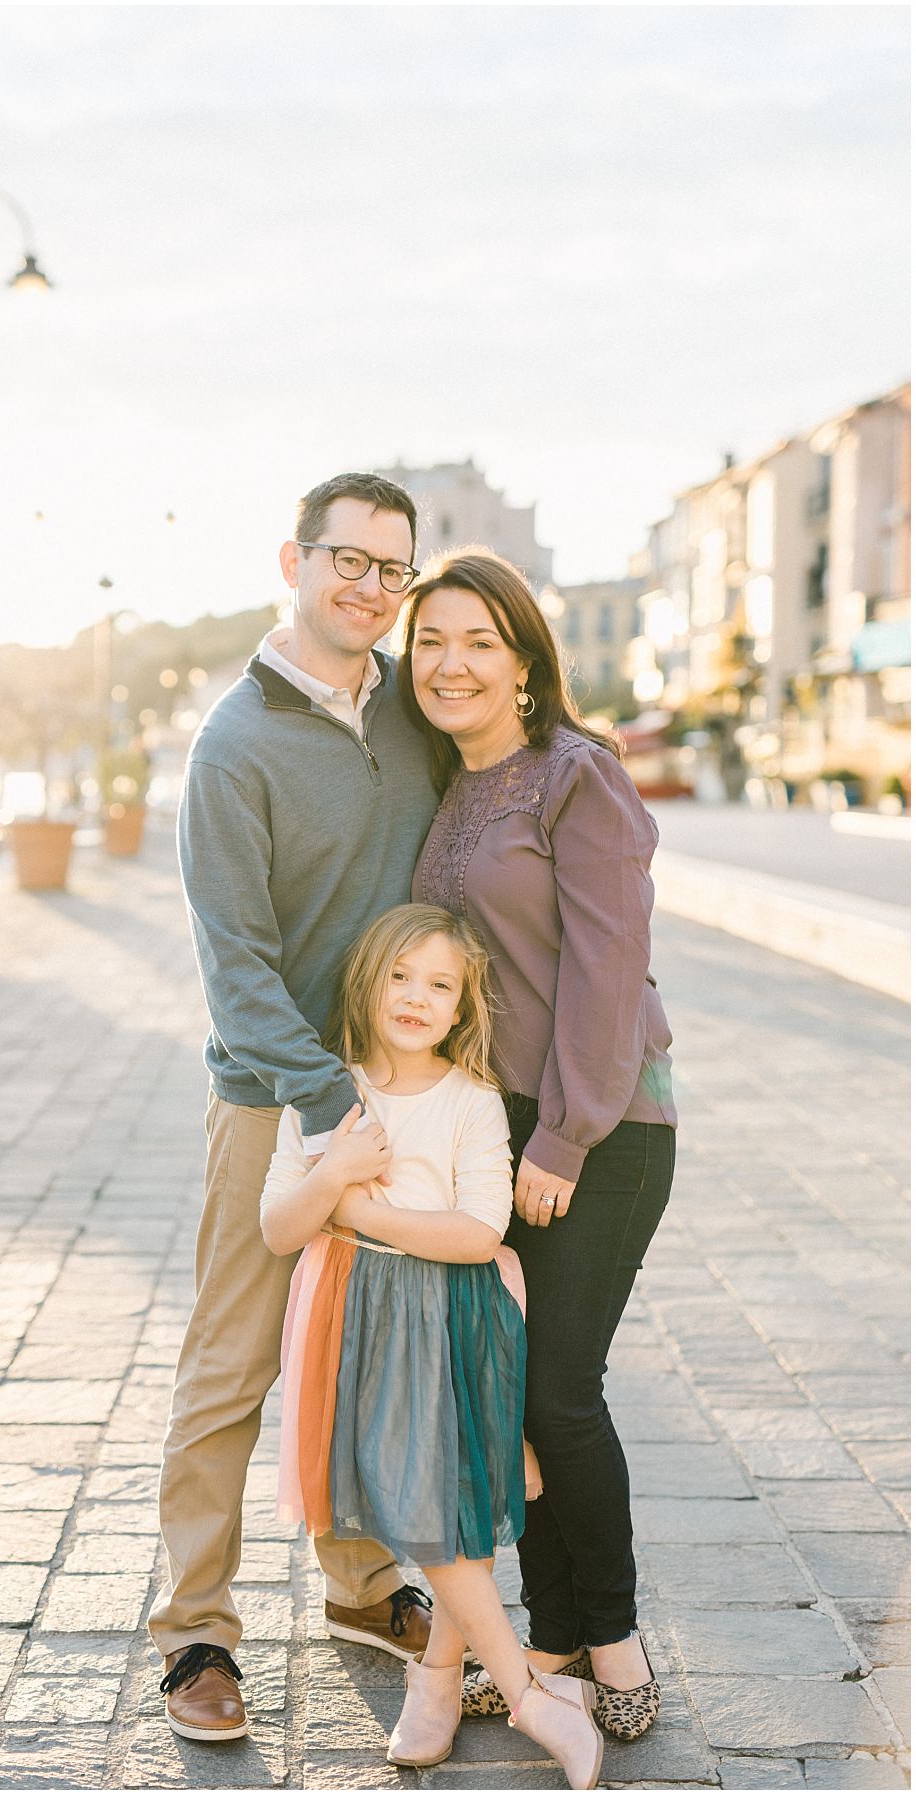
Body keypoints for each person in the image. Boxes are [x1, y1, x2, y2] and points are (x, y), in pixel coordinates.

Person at [150, 473, 442, 1742]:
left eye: (393, 569)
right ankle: (196, 1631)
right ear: (294, 560)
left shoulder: (415, 716)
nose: (369, 588)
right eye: (348, 560)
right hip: (275, 1101)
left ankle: (365, 1585)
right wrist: (328, 1104)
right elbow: (237, 965)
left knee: (368, 1349)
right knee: (235, 1359)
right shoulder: (233, 743)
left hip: (398, 1094)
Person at [400, 548, 678, 1743]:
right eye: (429, 643)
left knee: (561, 1392)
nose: (450, 664)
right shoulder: (449, 785)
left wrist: (564, 1134)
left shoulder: (579, 777)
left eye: (477, 641)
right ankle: (552, 1633)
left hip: (603, 1125)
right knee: (518, 1401)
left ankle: (611, 1635)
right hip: (495, 1128)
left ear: (523, 662)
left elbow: (610, 978)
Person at [261, 903, 605, 1791]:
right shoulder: (327, 1092)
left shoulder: (470, 1099)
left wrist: (363, 1210)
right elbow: (276, 1226)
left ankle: (504, 1692)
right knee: (429, 1505)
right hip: (358, 1317)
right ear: (367, 982)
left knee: (453, 1506)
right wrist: (333, 1170)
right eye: (400, 976)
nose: (417, 997)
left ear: (462, 1006)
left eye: (440, 984)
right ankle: (467, 1682)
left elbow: (480, 1226)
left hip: (453, 1314)